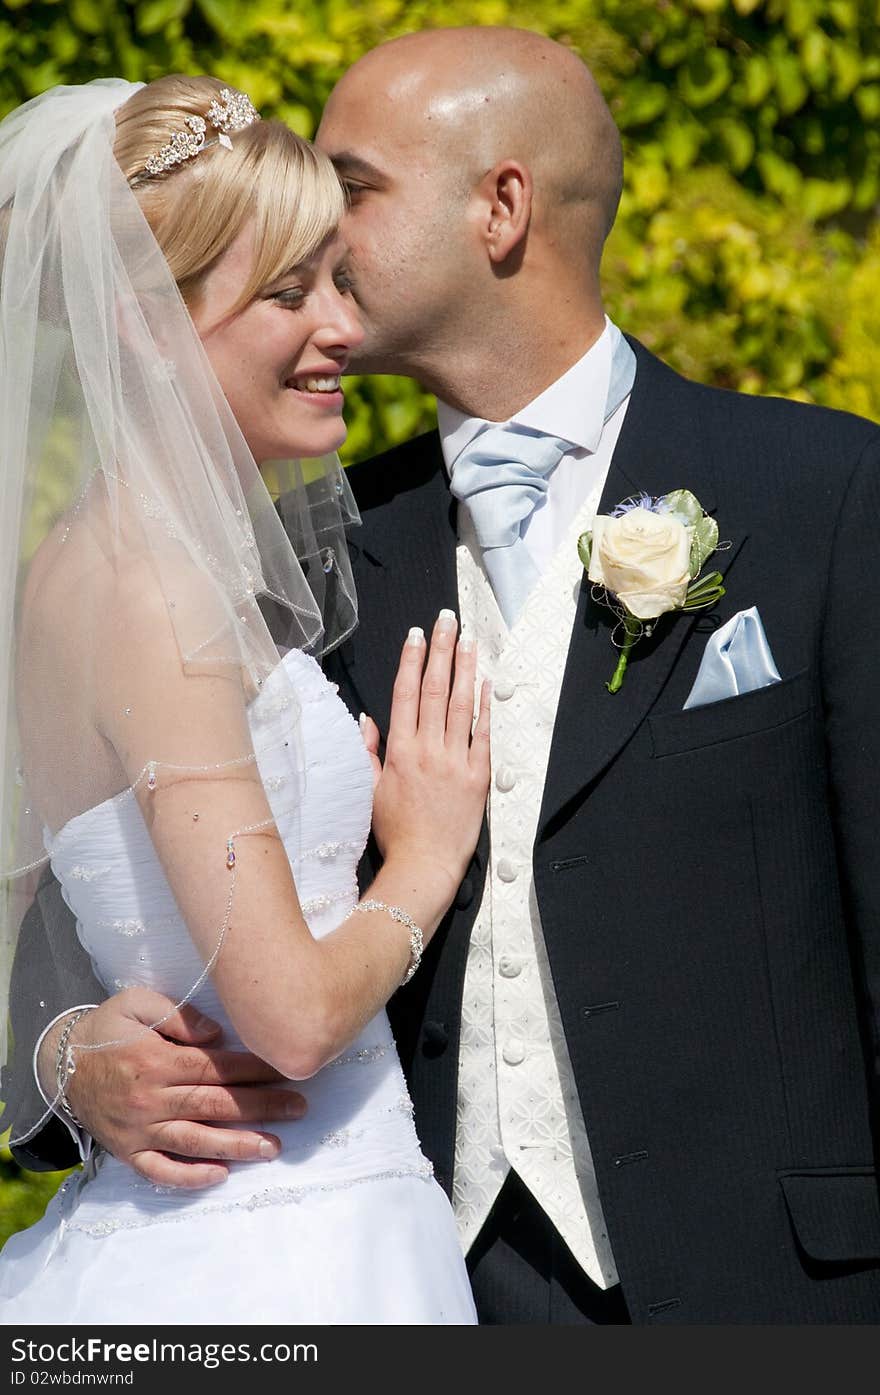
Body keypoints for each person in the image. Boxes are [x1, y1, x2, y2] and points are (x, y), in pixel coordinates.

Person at [8, 27, 880, 1324]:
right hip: (412, 1269)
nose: (325, 244)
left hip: (766, 1296)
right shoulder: (305, 552)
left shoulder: (825, 492)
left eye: (351, 188)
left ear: (502, 206)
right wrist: (64, 1057)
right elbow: (72, 896)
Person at [0, 72, 490, 1324]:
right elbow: (285, 1017)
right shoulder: (154, 593)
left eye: (334, 277)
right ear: (143, 325)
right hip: (276, 1251)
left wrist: (62, 1048)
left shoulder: (99, 564)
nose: (340, 326)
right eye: (286, 293)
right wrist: (424, 856)